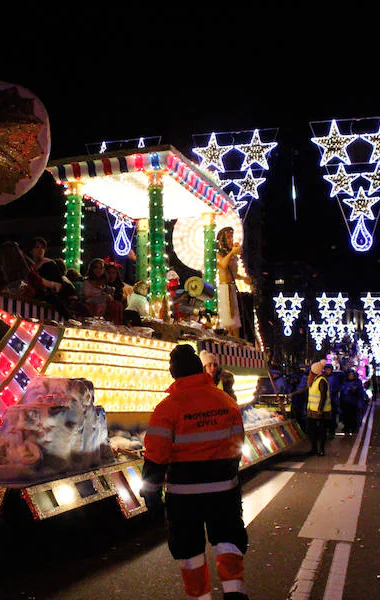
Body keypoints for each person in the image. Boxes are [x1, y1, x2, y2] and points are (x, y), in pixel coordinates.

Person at [140, 344, 248, 600]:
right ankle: (235, 594)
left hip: (183, 497)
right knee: (228, 543)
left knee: (190, 552)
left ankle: (200, 597)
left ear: (174, 372)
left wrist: (151, 495)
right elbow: (238, 446)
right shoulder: (226, 402)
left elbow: (156, 456)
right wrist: (229, 477)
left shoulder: (167, 408)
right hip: (223, 492)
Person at [215, 227, 252, 338]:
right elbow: (223, 265)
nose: (231, 240)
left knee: (235, 318)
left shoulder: (232, 255)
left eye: (232, 237)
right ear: (222, 240)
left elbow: (234, 274)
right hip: (224, 287)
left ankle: (236, 339)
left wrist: (243, 278)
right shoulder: (218, 254)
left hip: (232, 287)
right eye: (228, 237)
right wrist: (232, 252)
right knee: (227, 316)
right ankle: (229, 338)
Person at [307, 359, 332, 456]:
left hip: (321, 411)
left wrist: (320, 409)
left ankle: (320, 450)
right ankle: (314, 449)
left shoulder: (321, 381)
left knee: (321, 431)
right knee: (312, 430)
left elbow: (323, 396)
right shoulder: (315, 380)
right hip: (312, 410)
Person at [338, 370, 364, 436]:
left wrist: (355, 391)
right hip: (345, 403)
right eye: (349, 375)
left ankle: (353, 429)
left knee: (353, 417)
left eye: (352, 375)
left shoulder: (358, 382)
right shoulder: (344, 382)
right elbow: (342, 392)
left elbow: (360, 393)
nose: (350, 376)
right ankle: (346, 428)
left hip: (354, 403)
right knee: (346, 417)